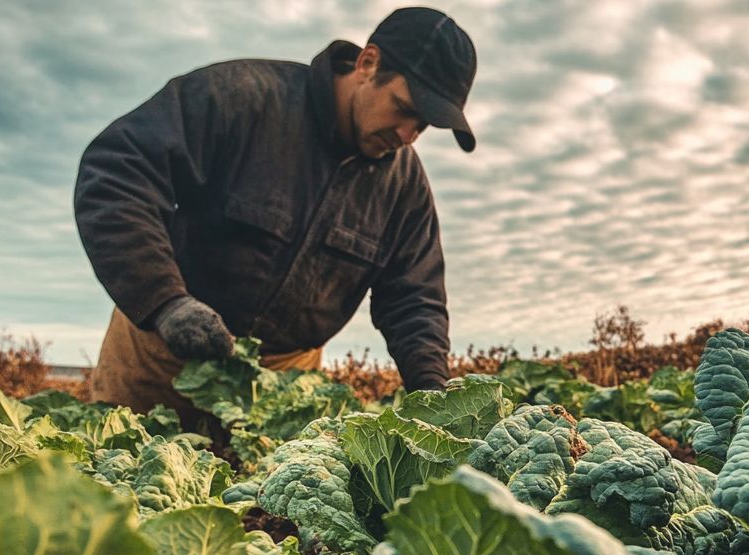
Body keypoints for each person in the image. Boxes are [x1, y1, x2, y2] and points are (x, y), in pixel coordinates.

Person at [73, 7, 476, 426]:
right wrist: (164, 301)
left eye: (423, 127)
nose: (407, 135)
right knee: (126, 483)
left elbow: (415, 299)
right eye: (403, 108)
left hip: (283, 390)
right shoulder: (242, 98)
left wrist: (432, 396)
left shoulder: (404, 185)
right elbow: (117, 171)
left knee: (273, 494)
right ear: (368, 63)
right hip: (161, 358)